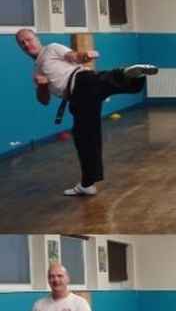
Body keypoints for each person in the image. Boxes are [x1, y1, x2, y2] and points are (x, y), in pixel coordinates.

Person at [16, 28, 157, 196]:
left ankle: (127, 74)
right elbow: (44, 101)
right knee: (85, 139)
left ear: (37, 38)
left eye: (28, 39)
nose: (26, 44)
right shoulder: (36, 71)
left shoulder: (51, 49)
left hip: (81, 81)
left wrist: (85, 56)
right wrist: (42, 85)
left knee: (97, 82)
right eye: (22, 43)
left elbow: (72, 57)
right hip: (77, 100)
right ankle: (87, 183)